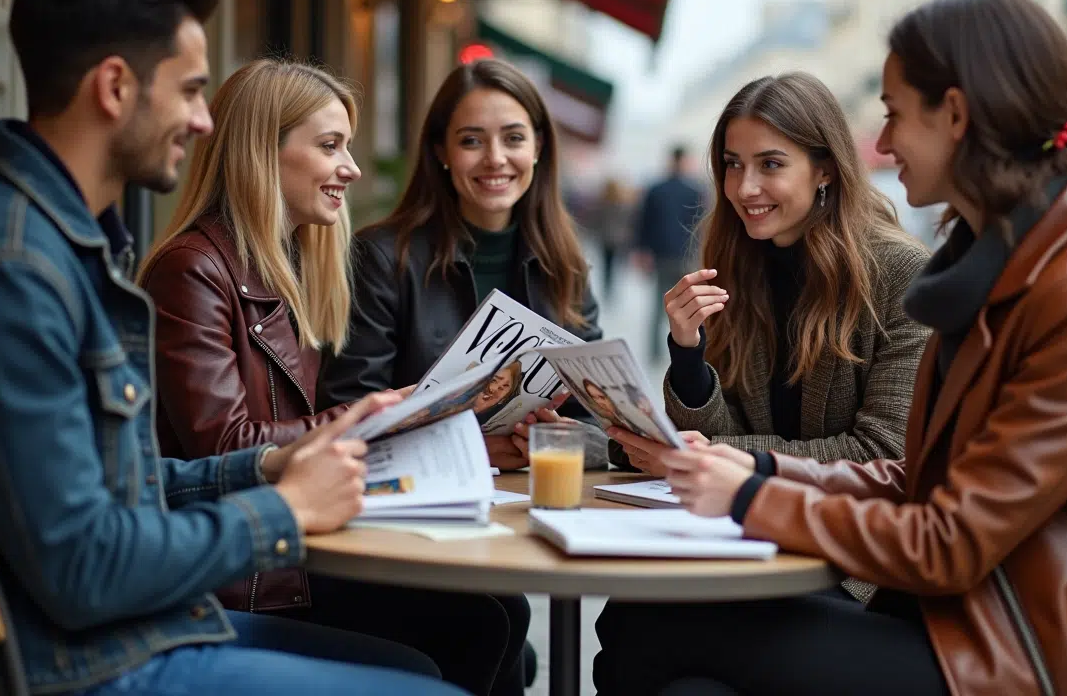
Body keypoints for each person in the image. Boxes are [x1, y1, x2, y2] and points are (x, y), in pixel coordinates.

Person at [600, 0, 1067, 696]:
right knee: (666, 651)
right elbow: (916, 476)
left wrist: (751, 494)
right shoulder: (1005, 269)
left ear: (956, 116)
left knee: (656, 625)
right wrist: (755, 475)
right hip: (946, 621)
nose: (885, 138)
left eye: (896, 112)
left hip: (1019, 658)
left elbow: (951, 541)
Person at [0, 0, 465, 696]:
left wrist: (270, 466)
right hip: (94, 662)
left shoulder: (68, 246)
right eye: (192, 91)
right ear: (114, 88)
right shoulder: (16, 266)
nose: (206, 121)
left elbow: (125, 491)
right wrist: (283, 508)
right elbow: (81, 564)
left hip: (141, 626)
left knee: (426, 662)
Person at [137, 58, 525, 696]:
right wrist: (366, 415)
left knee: (494, 612)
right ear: (264, 153)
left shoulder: (275, 269)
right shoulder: (194, 270)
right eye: (329, 146)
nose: (351, 167)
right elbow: (227, 446)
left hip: (283, 553)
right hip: (241, 577)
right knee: (474, 624)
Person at [318, 58, 609, 694]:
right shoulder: (381, 256)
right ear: (442, 154)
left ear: (539, 146)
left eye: (512, 137)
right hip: (400, 526)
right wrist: (477, 446)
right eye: (471, 140)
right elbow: (345, 410)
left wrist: (549, 439)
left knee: (506, 624)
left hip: (507, 518)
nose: (494, 158)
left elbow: (605, 433)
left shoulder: (566, 263)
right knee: (499, 623)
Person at [608, 71, 931, 603]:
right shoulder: (740, 263)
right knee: (631, 620)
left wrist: (712, 457)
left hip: (848, 567)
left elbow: (881, 454)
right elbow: (726, 423)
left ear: (824, 168)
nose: (744, 188)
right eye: (732, 165)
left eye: (771, 164)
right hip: (746, 539)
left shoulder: (899, 272)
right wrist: (688, 358)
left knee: (647, 632)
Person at [633, 144, 704, 361]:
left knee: (658, 304)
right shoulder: (694, 191)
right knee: (689, 305)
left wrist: (642, 251)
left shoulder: (655, 189)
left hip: (661, 254)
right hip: (685, 256)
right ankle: (687, 348)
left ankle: (655, 352)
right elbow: (699, 225)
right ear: (684, 161)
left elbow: (643, 223)